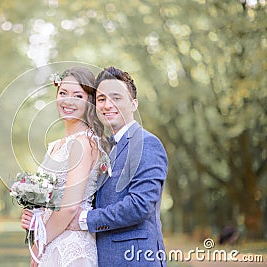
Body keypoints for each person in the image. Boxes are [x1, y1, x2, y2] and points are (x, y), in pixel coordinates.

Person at [23, 66, 168, 267]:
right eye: (101, 99)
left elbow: (140, 205)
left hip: (134, 258)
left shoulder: (146, 143)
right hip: (101, 254)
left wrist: (85, 219)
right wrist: (39, 216)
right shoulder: (103, 146)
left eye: (116, 98)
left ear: (133, 104)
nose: (108, 105)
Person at [22, 67, 109, 266]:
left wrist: (39, 245)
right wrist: (35, 218)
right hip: (53, 241)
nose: (68, 101)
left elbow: (70, 207)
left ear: (89, 101)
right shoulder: (55, 146)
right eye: (63, 93)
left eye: (77, 95)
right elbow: (49, 200)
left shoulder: (84, 143)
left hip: (71, 248)